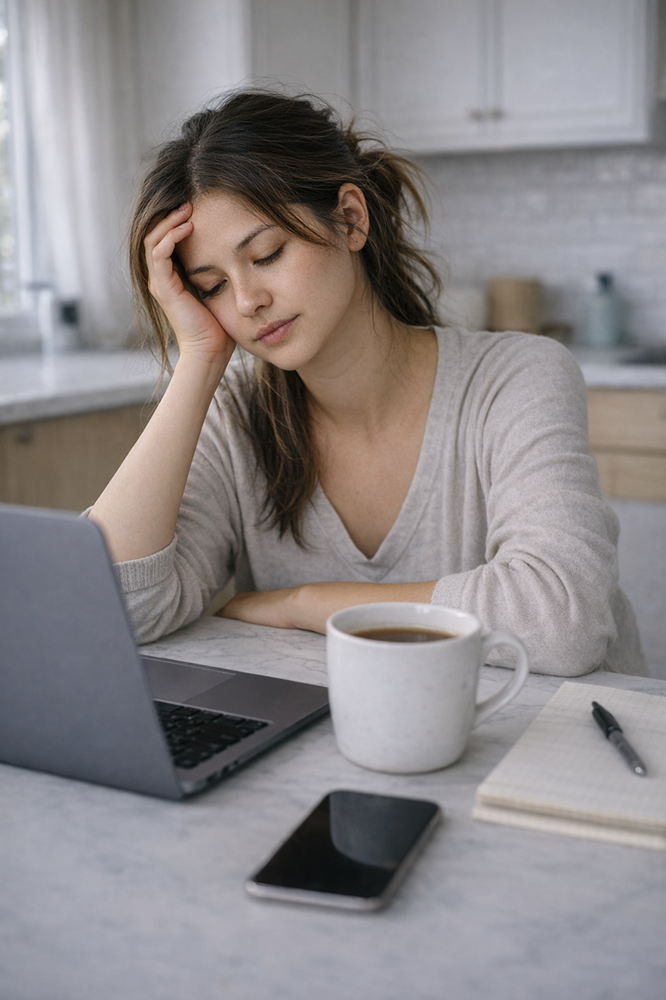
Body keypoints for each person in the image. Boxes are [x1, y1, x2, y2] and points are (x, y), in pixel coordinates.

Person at [89, 90, 645, 677]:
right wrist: (200, 357)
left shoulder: (517, 377)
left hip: (563, 744)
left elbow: (563, 622)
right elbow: (115, 611)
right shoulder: (236, 416)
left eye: (268, 254)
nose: (248, 301)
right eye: (211, 287)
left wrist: (303, 603)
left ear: (351, 219)